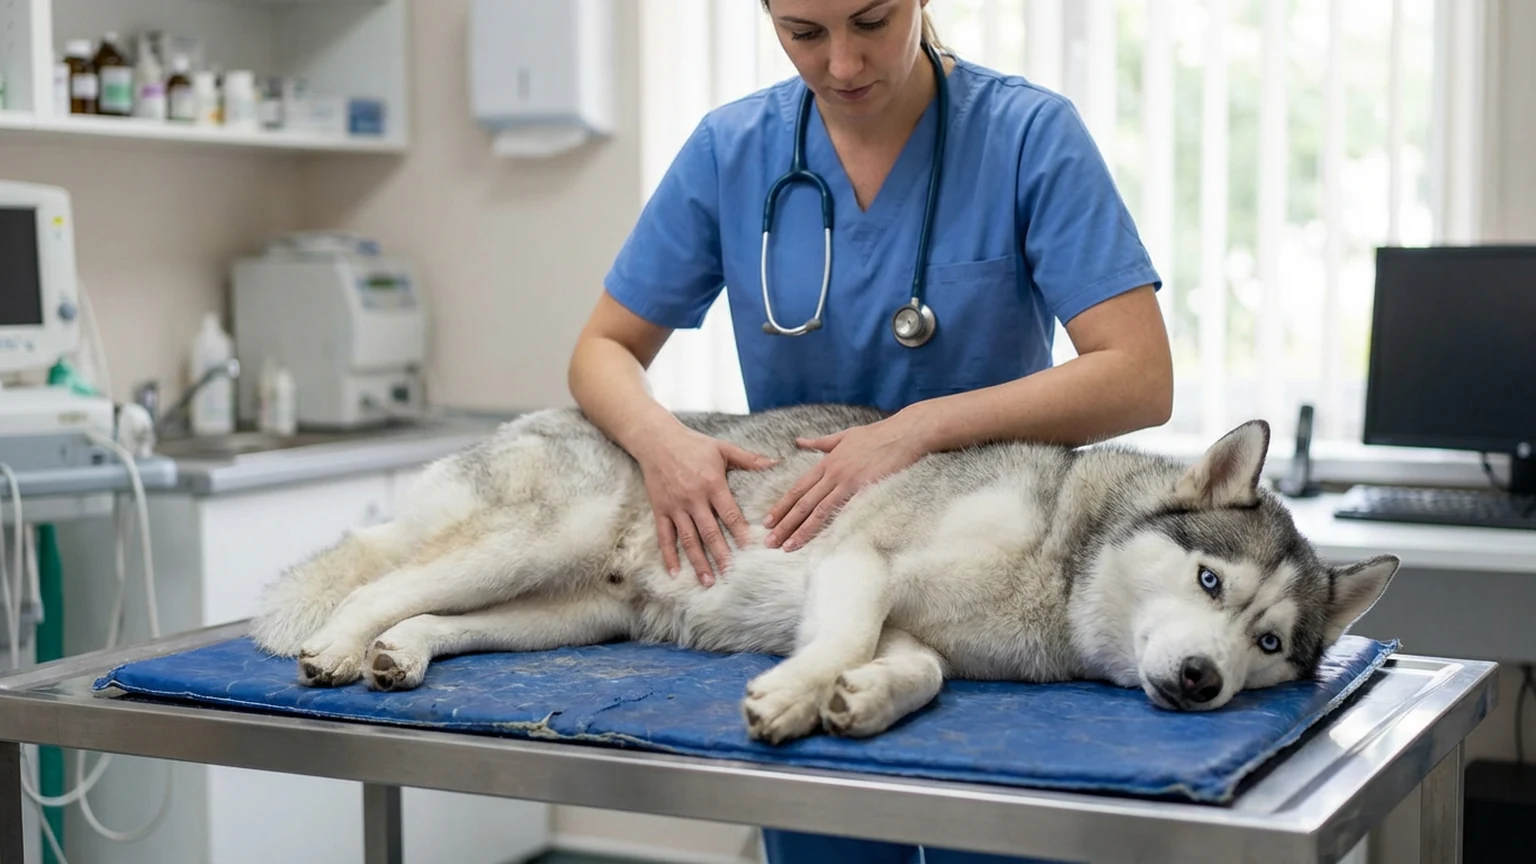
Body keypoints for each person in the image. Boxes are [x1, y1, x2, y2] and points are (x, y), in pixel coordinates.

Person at [567, 1, 1173, 861]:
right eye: (804, 33)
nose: (843, 64)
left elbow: (1140, 376)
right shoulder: (733, 150)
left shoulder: (1026, 135)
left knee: (989, 841)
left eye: (872, 21)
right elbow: (602, 349)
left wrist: (920, 428)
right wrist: (662, 442)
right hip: (813, 586)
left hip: (989, 590)